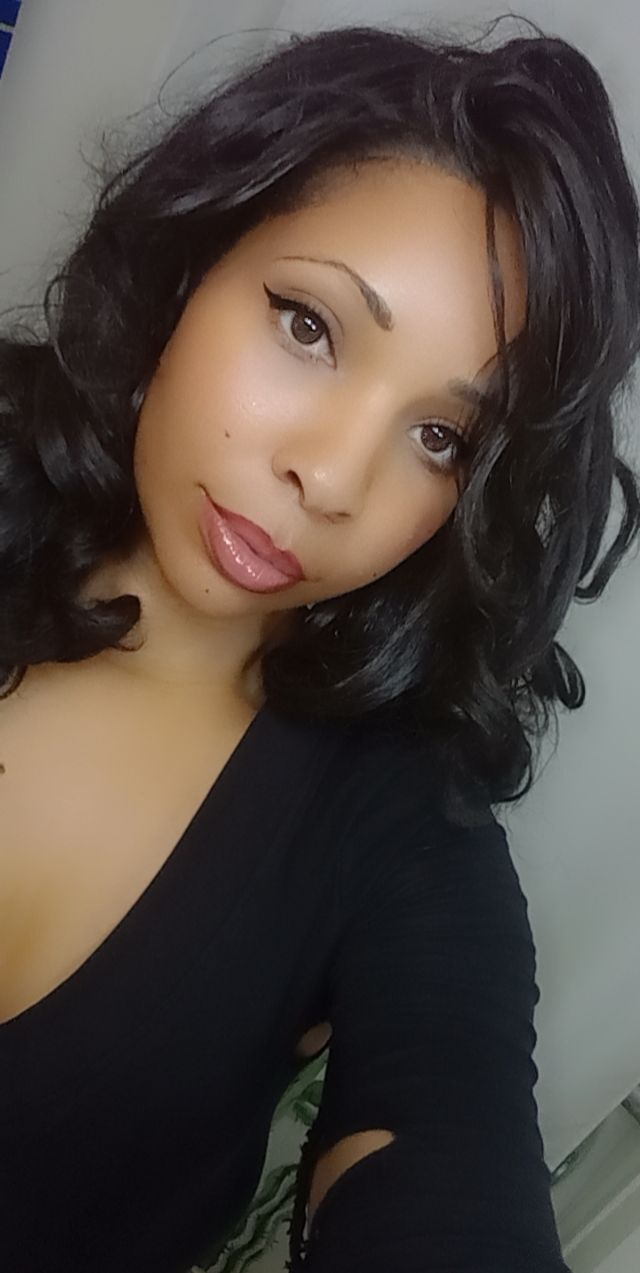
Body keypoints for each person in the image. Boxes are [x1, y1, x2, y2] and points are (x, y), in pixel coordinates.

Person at [1, 16, 638, 1273]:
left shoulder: (397, 832)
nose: (333, 477)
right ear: (195, 258)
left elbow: (447, 1149)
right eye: (308, 325)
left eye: (442, 439)